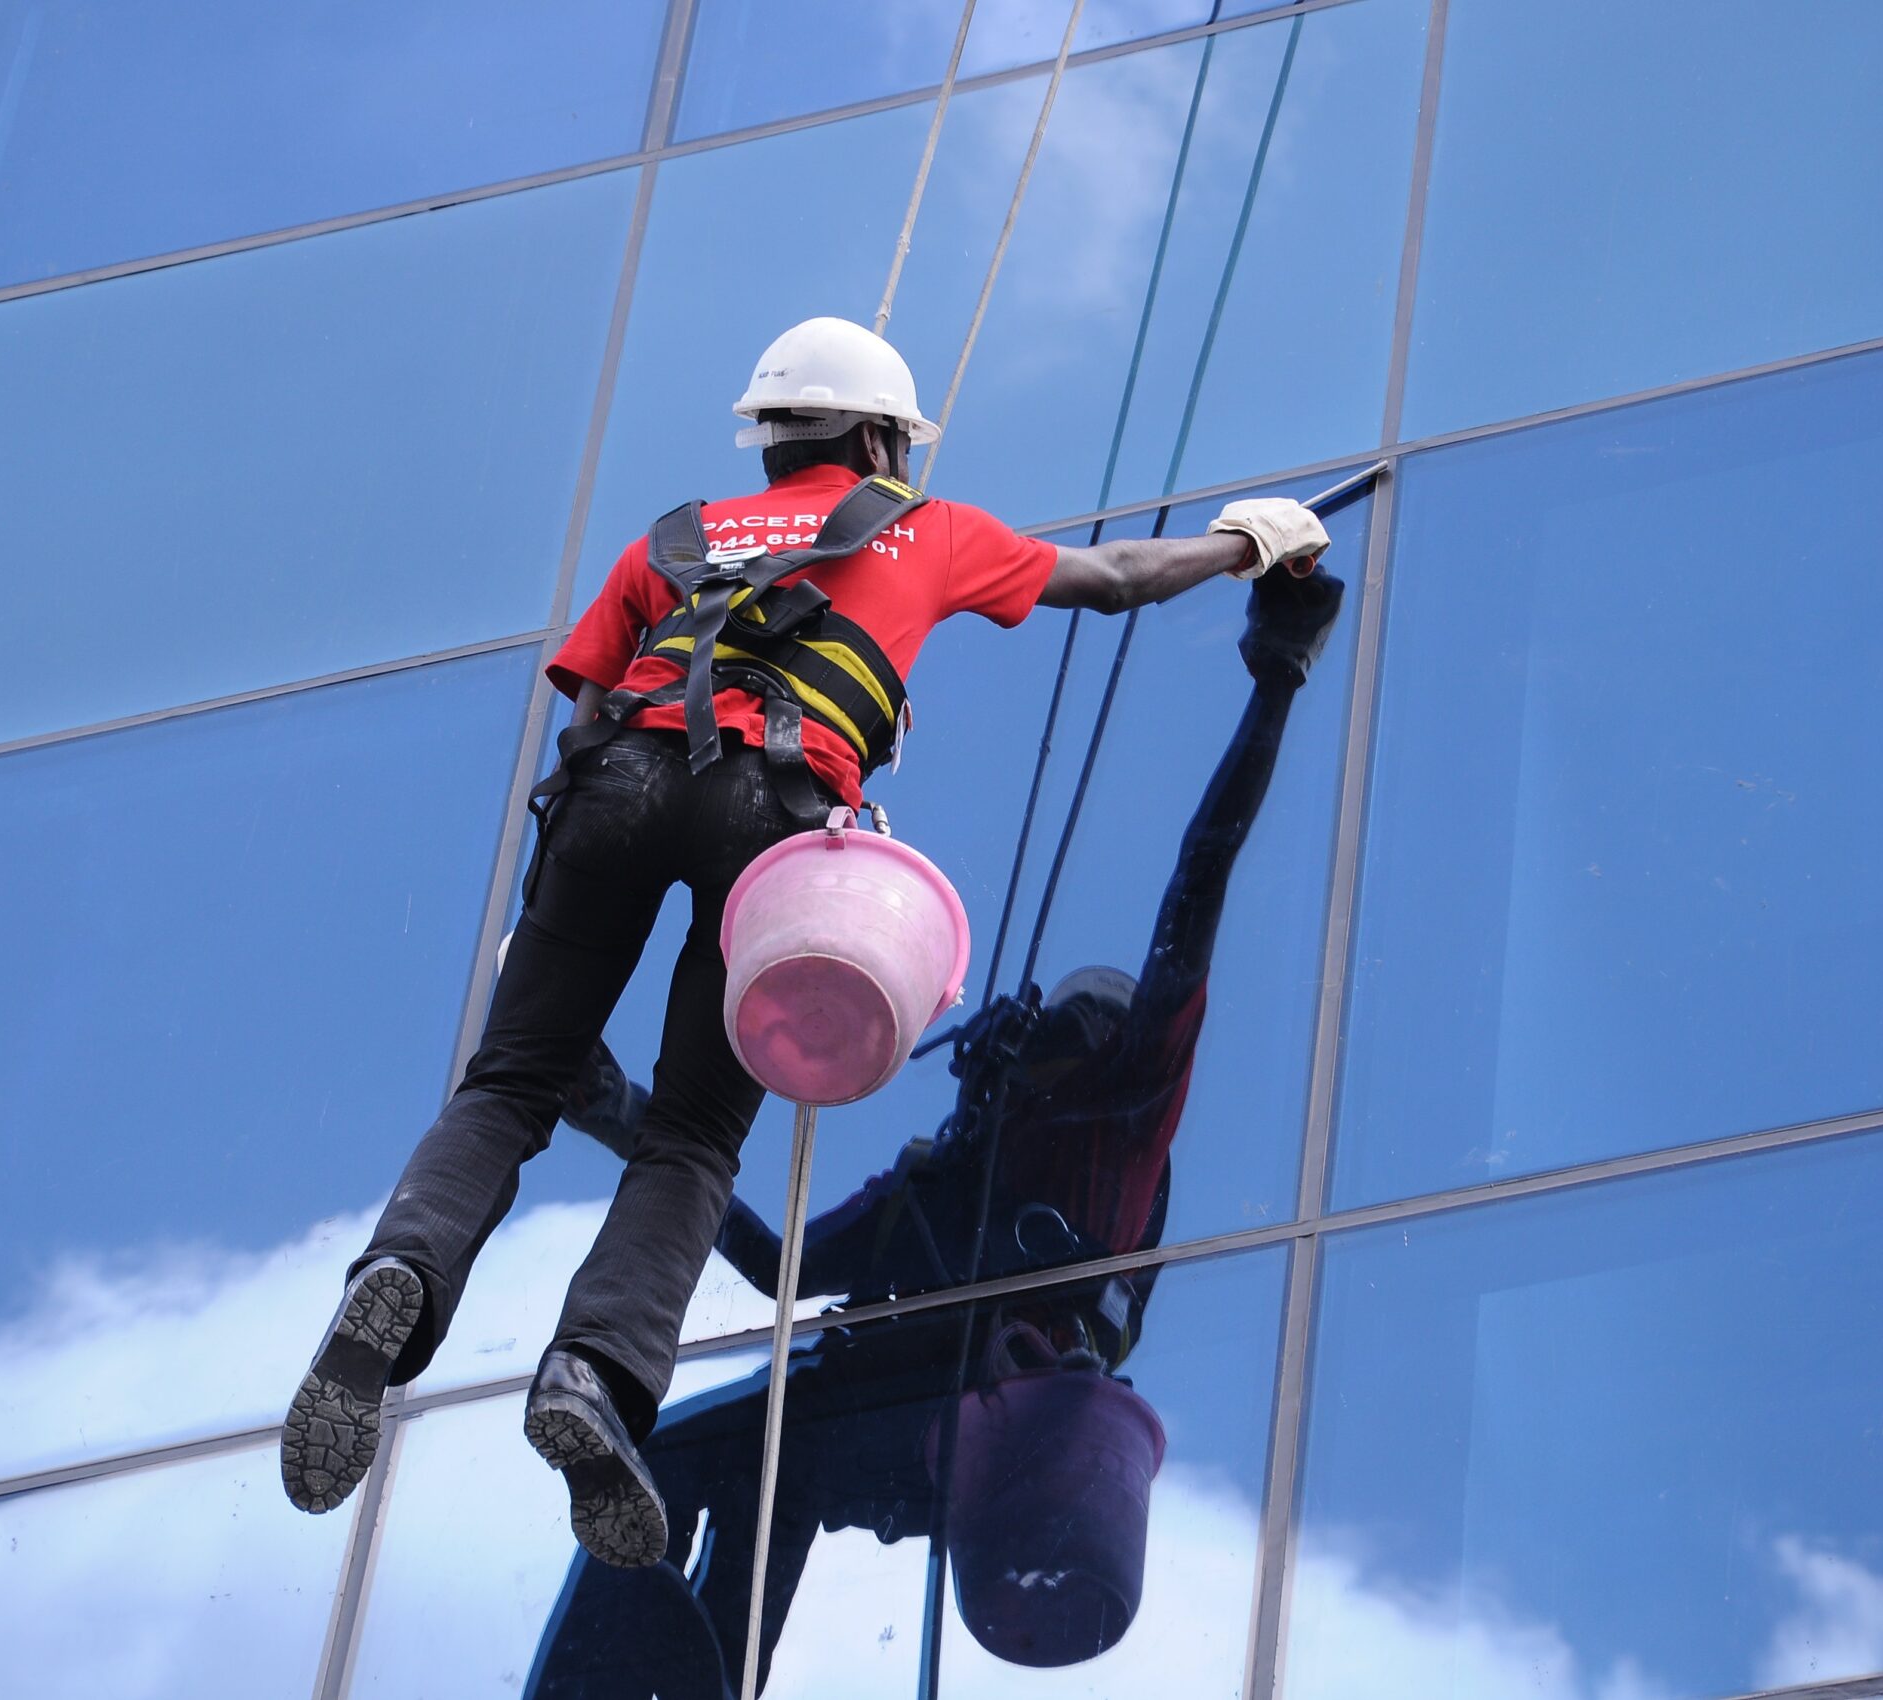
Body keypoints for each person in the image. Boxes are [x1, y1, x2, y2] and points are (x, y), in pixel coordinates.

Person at [279, 316, 1331, 1569]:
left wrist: (529, 921)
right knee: (692, 1133)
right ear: (883, 437)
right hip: (770, 817)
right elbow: (1109, 582)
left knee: (510, 1082)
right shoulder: (923, 527)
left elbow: (586, 712)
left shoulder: (673, 536)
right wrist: (1246, 541)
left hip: (610, 791)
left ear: (770, 441)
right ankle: (597, 1371)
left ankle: (392, 1281)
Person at [523, 562, 1344, 1694]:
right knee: (697, 1458)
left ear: (1100, 1039)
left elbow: (1194, 891)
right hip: (904, 1427)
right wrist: (625, 1116)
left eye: (1067, 1021)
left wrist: (1274, 682)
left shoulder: (1118, 1117)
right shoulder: (945, 1180)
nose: (1031, 1038)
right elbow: (786, 1268)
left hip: (981, 1428)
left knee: (760, 1453)